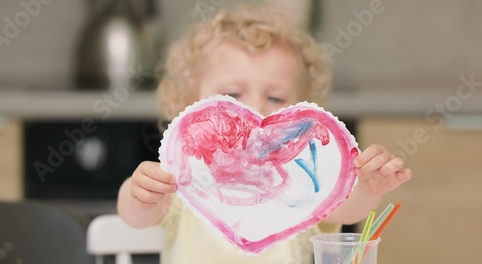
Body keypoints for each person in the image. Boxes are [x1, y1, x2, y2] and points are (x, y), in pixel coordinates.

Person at [117, 5, 412, 264]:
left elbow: (347, 209)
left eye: (275, 99)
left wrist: (369, 189)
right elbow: (134, 216)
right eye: (232, 95)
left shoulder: (305, 183)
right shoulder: (185, 180)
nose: (255, 111)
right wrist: (140, 194)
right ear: (187, 106)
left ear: (304, 110)